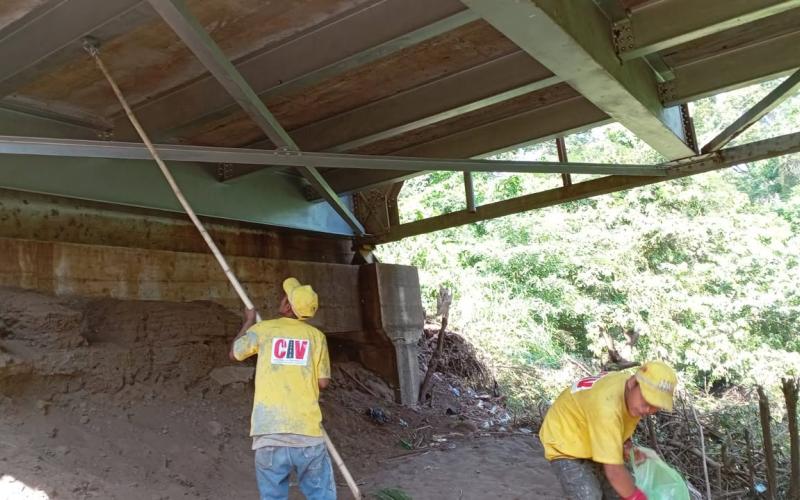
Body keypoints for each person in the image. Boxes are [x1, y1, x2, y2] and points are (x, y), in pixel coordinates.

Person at [230, 277, 335, 500]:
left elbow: (235, 353)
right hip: (307, 434)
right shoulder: (317, 338)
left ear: (287, 306)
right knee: (321, 495)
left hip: (269, 433)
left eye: (285, 295)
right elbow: (323, 382)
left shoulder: (264, 329)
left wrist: (248, 321)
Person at [539, 361, 678, 500]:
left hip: (588, 434)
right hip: (564, 439)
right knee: (589, 496)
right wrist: (636, 497)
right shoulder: (607, 408)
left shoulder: (631, 398)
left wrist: (626, 446)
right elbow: (614, 472)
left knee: (617, 491)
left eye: (655, 406)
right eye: (646, 401)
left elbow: (619, 427)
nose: (648, 410)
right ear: (632, 383)